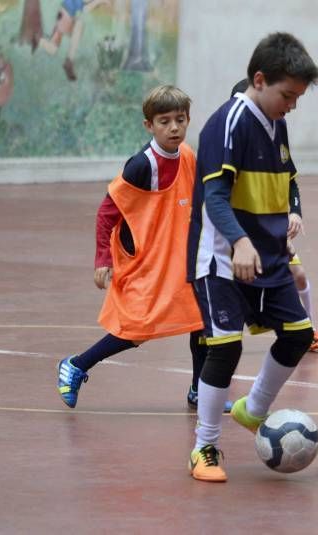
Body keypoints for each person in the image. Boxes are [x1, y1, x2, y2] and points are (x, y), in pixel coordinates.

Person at [186, 32, 318, 482]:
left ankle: (254, 408)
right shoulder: (228, 123)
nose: (292, 106)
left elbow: (280, 186)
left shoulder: (275, 122)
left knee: (299, 335)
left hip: (269, 259)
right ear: (259, 80)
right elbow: (215, 196)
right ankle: (205, 448)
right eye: (288, 95)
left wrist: (283, 227)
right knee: (224, 346)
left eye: (298, 98)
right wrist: (241, 241)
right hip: (222, 260)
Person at [56, 85, 208, 412]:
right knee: (137, 330)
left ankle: (200, 390)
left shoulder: (189, 156)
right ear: (148, 126)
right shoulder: (142, 165)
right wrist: (102, 259)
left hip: (179, 257)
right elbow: (106, 213)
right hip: (147, 261)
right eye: (164, 121)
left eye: (180, 120)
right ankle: (76, 364)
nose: (173, 128)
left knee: (202, 321)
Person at [231, 78, 318, 355]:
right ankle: (218, 351)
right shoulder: (231, 146)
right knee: (235, 293)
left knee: (298, 274)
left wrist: (296, 213)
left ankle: (309, 330)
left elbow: (291, 181)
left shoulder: (276, 142)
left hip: (271, 232)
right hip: (240, 237)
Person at [37, 0, 110, 81]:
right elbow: (84, 9)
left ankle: (38, 39)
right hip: (65, 16)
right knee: (79, 25)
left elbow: (84, 5)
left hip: (64, 16)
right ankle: (69, 61)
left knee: (52, 49)